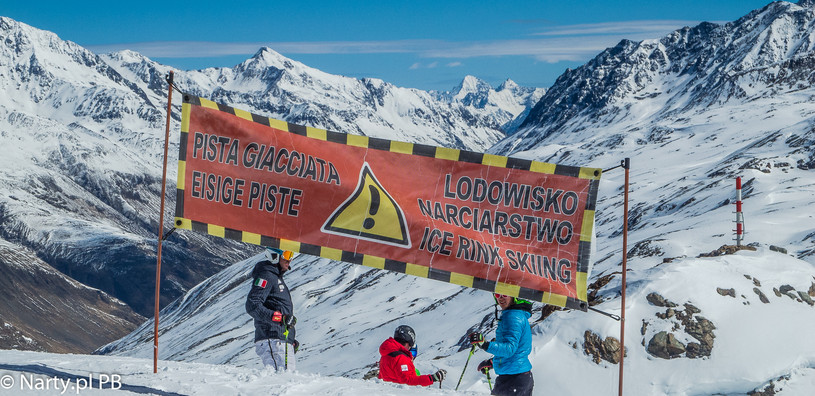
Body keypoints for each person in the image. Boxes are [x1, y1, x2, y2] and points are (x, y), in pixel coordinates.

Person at [468, 294, 534, 396]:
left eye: (504, 295)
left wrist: (485, 344)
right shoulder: (516, 314)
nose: (500, 298)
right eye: (497, 294)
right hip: (519, 377)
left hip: (513, 379)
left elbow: (509, 349)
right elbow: (516, 349)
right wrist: (493, 362)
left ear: (513, 296)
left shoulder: (512, 317)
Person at [245, 247, 299, 371]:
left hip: (279, 340)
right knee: (283, 382)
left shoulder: (275, 277)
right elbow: (252, 305)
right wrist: (279, 318)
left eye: (291, 255)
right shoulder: (267, 275)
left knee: (284, 383)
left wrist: (290, 339)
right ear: (274, 256)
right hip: (273, 338)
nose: (289, 260)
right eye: (286, 254)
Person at [378, 325, 446, 386]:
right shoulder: (401, 358)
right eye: (410, 345)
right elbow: (408, 381)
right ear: (408, 343)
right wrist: (432, 378)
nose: (409, 348)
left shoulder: (386, 355)